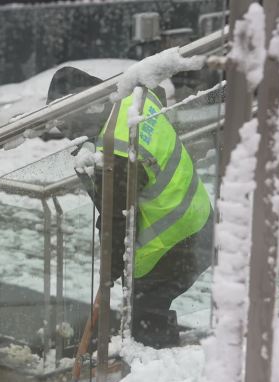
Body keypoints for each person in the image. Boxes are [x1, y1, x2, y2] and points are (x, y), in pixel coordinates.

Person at [46, 66, 213, 348]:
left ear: (87, 107)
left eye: (66, 121)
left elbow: (116, 218)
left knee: (144, 316)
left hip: (174, 243)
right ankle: (158, 358)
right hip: (198, 219)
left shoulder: (117, 150)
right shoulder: (135, 101)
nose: (64, 131)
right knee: (146, 309)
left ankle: (160, 367)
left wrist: (108, 273)